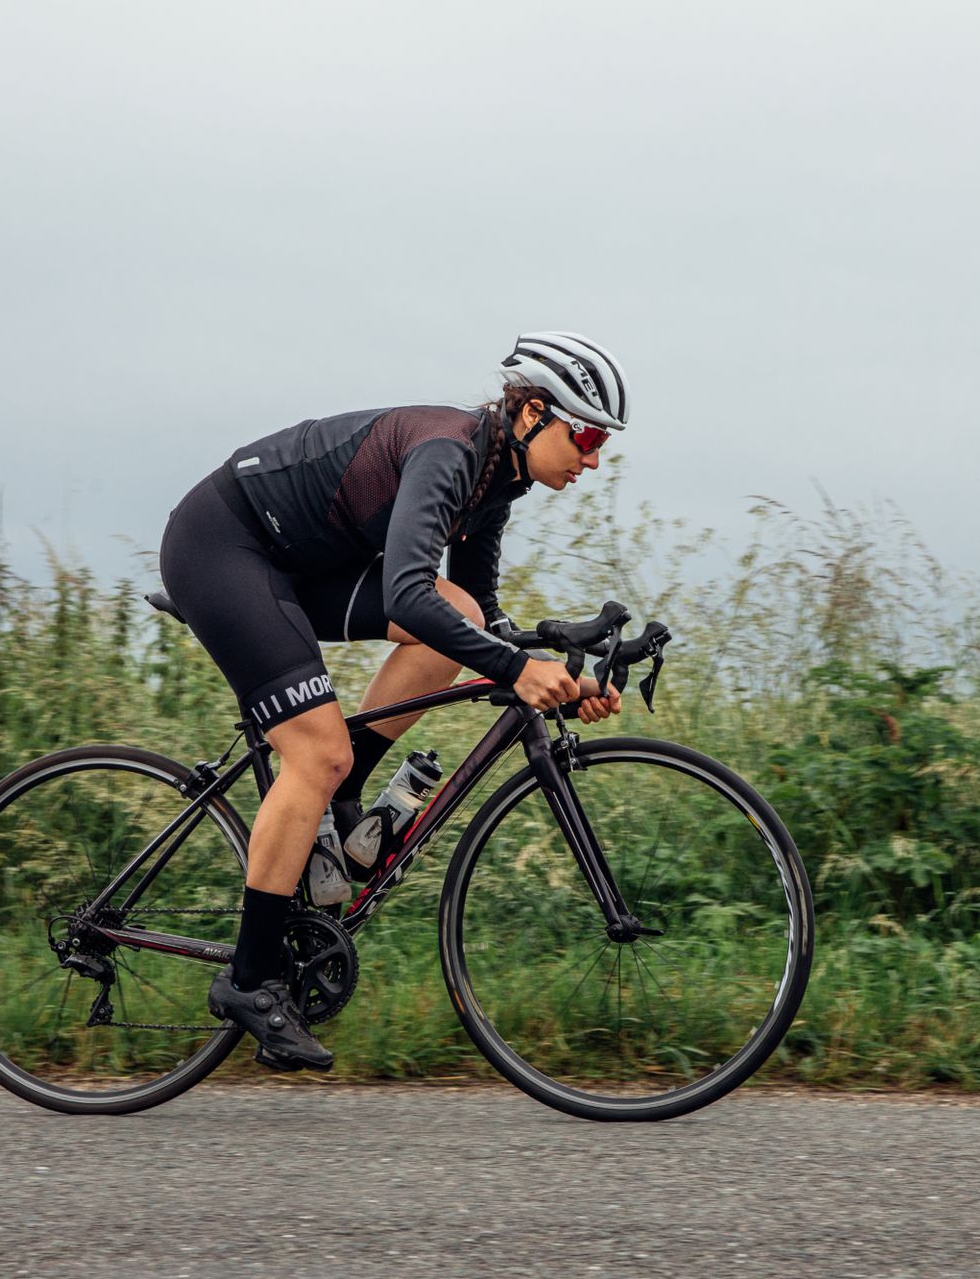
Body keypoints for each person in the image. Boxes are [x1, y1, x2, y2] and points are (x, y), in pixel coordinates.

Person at [157, 332, 630, 1071]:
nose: (594, 459)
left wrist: (565, 683)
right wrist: (518, 667)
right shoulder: (450, 453)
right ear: (535, 413)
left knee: (460, 616)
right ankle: (249, 981)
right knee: (316, 751)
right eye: (589, 435)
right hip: (225, 547)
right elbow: (407, 590)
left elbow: (477, 613)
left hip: (295, 565)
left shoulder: (498, 479)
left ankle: (338, 798)